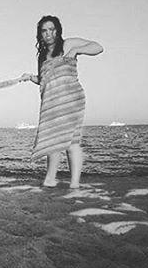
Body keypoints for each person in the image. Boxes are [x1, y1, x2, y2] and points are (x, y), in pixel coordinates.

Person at [18, 15, 102, 188]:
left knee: (72, 142)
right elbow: (45, 80)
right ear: (40, 34)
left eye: (52, 29)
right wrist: (30, 77)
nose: (48, 33)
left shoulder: (67, 44)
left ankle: (74, 185)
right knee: (52, 140)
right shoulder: (42, 55)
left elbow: (98, 47)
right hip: (52, 102)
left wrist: (76, 50)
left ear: (57, 30)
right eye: (44, 31)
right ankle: (50, 179)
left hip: (71, 99)